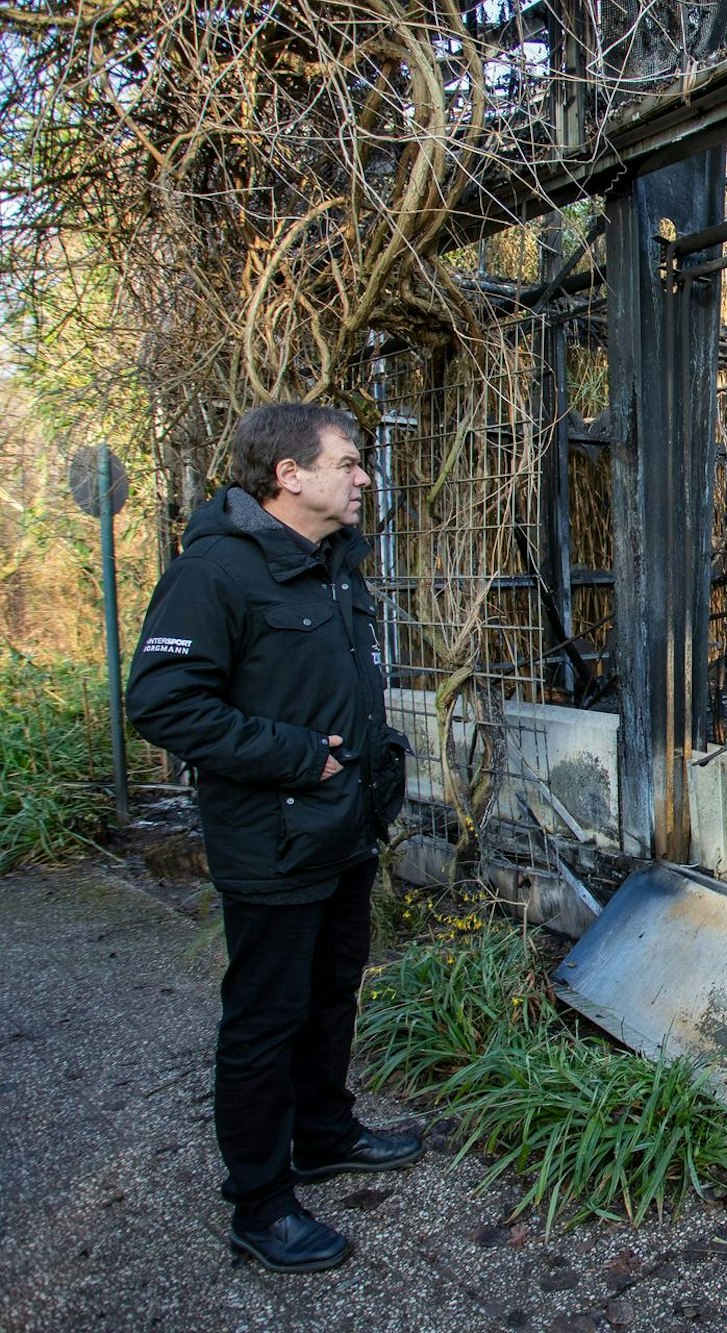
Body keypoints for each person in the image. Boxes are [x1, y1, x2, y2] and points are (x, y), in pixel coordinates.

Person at [128, 403, 418, 1273]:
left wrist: (380, 763)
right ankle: (260, 1204)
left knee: (332, 994)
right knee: (264, 1020)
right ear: (289, 475)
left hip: (344, 832)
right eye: (349, 462)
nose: (363, 476)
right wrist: (299, 757)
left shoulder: (335, 565)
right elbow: (164, 702)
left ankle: (324, 1132)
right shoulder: (216, 570)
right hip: (274, 842)